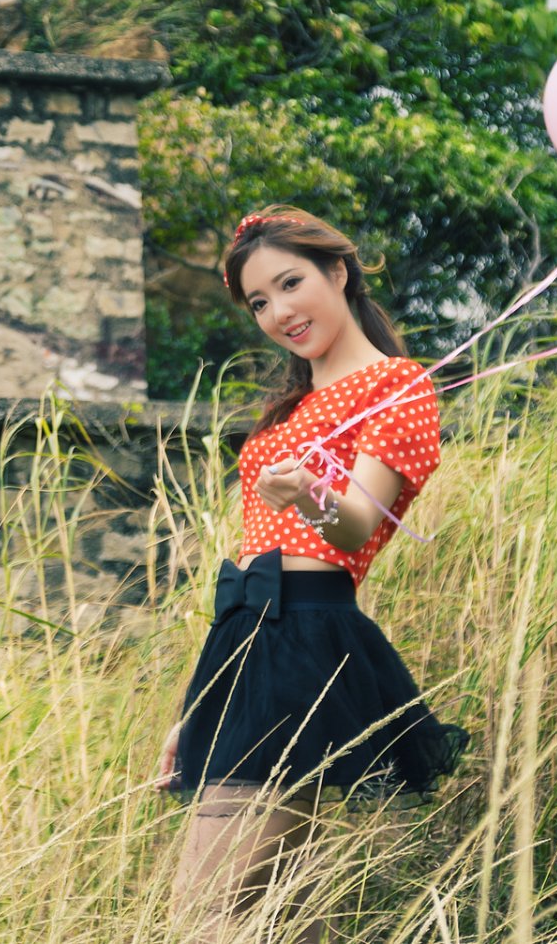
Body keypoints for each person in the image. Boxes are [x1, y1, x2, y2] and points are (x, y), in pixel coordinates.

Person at [153, 206, 472, 942]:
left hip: (308, 637)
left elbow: (357, 525)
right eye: (259, 302)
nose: (278, 312)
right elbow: (258, 555)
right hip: (246, 643)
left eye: (291, 283)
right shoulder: (287, 412)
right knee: (267, 915)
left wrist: (308, 494)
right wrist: (197, 712)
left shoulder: (397, 385)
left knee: (208, 911)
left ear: (338, 272)